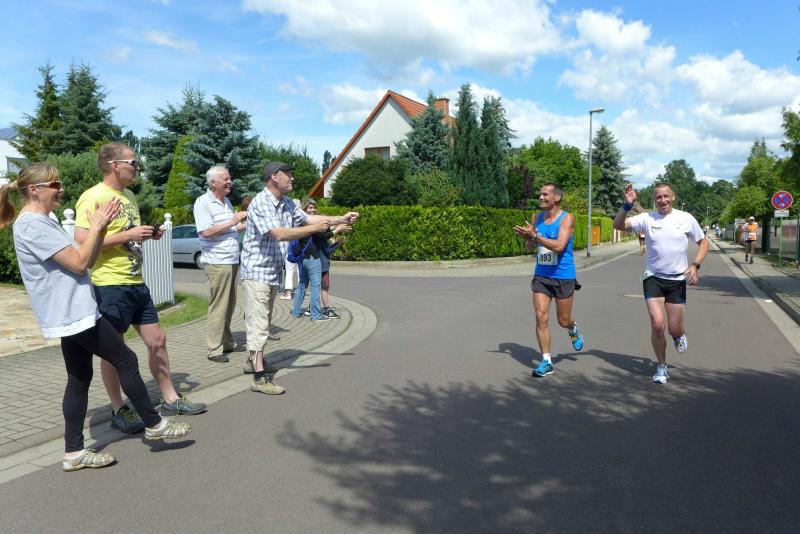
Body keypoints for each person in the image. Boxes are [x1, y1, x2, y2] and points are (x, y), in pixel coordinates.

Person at [0, 164, 190, 472]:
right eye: (55, 184)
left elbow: (84, 258)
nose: (61, 189)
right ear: (34, 190)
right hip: (72, 313)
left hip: (72, 311)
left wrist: (100, 230)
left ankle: (74, 452)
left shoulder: (42, 220)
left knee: (79, 378)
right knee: (125, 359)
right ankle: (154, 425)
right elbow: (79, 263)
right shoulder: (32, 225)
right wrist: (98, 225)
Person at [74, 143, 207, 434]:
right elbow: (82, 239)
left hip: (136, 282)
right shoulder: (93, 196)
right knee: (114, 350)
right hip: (110, 284)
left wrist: (144, 234)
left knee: (158, 339)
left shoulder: (129, 196)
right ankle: (118, 408)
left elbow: (125, 236)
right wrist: (128, 235)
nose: (138, 167)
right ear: (114, 165)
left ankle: (170, 398)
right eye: (133, 162)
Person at [240, 161, 359, 394]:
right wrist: (315, 229)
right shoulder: (261, 203)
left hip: (271, 272)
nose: (292, 178)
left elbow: (308, 219)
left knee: (263, 320)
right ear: (275, 177)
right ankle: (258, 378)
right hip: (256, 272)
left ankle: (252, 361)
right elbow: (279, 234)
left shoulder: (285, 202)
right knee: (259, 324)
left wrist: (340, 218)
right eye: (288, 174)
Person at [613, 183, 708, 384]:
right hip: (653, 278)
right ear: (654, 200)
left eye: (666, 196)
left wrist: (695, 265)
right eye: (658, 197)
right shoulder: (647, 218)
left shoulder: (686, 218)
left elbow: (703, 242)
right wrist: (627, 205)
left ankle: (678, 335)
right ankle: (662, 366)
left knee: (674, 329)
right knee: (657, 325)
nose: (663, 200)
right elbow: (618, 225)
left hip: (677, 280)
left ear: (673, 197)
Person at [513, 182, 584, 378]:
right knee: (541, 316)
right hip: (542, 275)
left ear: (557, 197)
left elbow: (560, 247)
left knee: (563, 320)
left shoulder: (567, 218)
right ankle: (546, 361)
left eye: (545, 194)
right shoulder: (536, 217)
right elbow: (530, 247)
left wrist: (535, 236)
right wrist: (528, 237)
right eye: (540, 194)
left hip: (563, 275)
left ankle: (573, 328)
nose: (541, 197)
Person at [193, 166, 247, 363]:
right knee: (219, 305)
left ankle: (227, 341)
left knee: (229, 305)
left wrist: (247, 223)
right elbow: (206, 231)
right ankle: (214, 349)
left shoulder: (227, 202)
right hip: (217, 262)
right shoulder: (203, 202)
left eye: (229, 178)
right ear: (213, 182)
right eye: (226, 179)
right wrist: (233, 221)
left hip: (231, 260)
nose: (230, 181)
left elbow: (232, 228)